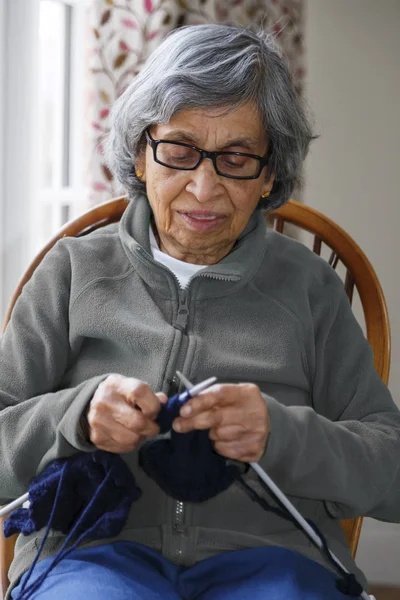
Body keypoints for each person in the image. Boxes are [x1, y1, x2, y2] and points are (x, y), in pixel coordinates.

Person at [1, 24, 399, 600]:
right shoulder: (71, 273)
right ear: (141, 155)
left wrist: (280, 435)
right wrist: (77, 417)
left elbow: (390, 471)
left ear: (269, 176)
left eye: (237, 158)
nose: (204, 187)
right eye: (180, 151)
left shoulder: (310, 289)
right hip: (89, 554)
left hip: (273, 563)